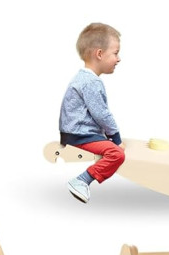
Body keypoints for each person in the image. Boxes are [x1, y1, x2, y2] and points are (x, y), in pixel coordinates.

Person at [59, 23, 126, 204]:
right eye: (115, 53)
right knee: (117, 154)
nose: (118, 59)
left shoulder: (84, 77)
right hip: (79, 135)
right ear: (99, 54)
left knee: (113, 148)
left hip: (76, 132)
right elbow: (102, 114)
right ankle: (82, 180)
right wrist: (116, 138)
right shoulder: (91, 82)